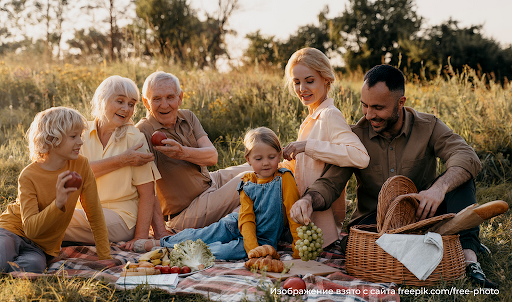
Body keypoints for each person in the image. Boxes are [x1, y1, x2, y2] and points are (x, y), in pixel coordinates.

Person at [290, 64, 497, 288]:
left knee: (460, 180)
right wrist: (308, 200)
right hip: (376, 224)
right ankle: (442, 245)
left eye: (378, 107)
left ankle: (469, 260)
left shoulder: (428, 126)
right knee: (357, 244)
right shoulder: (355, 136)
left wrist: (439, 187)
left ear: (401, 102)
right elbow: (331, 182)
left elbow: (466, 156)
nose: (369, 115)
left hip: (425, 214)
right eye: (365, 106)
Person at [137, 127, 301, 260]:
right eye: (259, 159)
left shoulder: (284, 178)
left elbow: (292, 213)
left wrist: (298, 247)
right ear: (248, 160)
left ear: (279, 155)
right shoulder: (247, 181)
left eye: (271, 157)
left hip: (262, 240)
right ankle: (162, 243)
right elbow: (247, 218)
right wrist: (253, 249)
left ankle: (180, 250)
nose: (266, 163)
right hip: (238, 223)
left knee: (224, 252)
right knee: (205, 234)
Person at [135, 71, 252, 238]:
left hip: (210, 182)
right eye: (156, 99)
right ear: (146, 102)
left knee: (258, 166)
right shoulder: (142, 132)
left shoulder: (187, 116)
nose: (164, 104)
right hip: (186, 211)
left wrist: (182, 153)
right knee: (250, 178)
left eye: (170, 97)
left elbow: (212, 156)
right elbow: (146, 189)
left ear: (180, 97)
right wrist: (160, 232)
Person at [63, 76, 169, 251]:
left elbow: (148, 194)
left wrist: (140, 237)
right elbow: (71, 176)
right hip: (82, 210)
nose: (126, 109)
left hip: (122, 218)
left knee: (50, 220)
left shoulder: (134, 138)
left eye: (131, 104)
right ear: (102, 100)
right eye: (120, 101)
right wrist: (121, 160)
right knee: (45, 216)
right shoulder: (80, 133)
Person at [0, 107, 111, 273]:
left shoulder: (81, 165)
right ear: (52, 140)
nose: (80, 142)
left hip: (40, 246)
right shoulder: (28, 175)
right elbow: (30, 228)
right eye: (73, 137)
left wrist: (105, 256)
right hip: (11, 231)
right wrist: (58, 203)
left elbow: (94, 213)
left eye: (79, 136)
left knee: (33, 267)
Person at [280, 48, 370, 247]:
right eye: (297, 82)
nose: (302, 88)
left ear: (326, 80)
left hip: (318, 229)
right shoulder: (312, 117)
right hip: (299, 218)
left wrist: (307, 146)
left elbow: (360, 156)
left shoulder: (329, 115)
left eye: (309, 81)